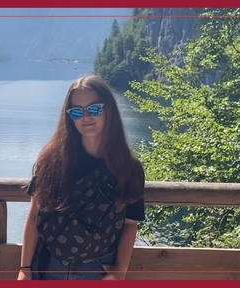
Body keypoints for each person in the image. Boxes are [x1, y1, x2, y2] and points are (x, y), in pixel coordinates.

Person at [17, 75, 146, 281]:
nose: (86, 117)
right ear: (69, 117)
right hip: (49, 265)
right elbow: (34, 216)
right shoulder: (52, 162)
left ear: (109, 110)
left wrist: (119, 271)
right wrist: (25, 269)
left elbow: (130, 224)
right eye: (77, 111)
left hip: (98, 269)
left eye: (95, 109)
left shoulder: (128, 168)